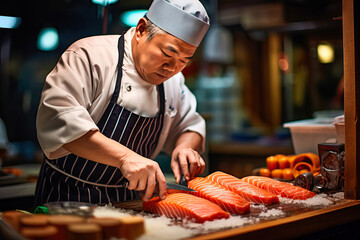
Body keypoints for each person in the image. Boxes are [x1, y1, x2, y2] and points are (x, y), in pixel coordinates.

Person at [34, 0, 210, 205]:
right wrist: (125, 158)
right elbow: (61, 122)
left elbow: (190, 125)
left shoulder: (173, 81)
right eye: (167, 54)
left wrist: (185, 148)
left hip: (130, 201)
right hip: (66, 194)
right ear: (141, 29)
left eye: (184, 60)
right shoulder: (89, 56)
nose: (171, 68)